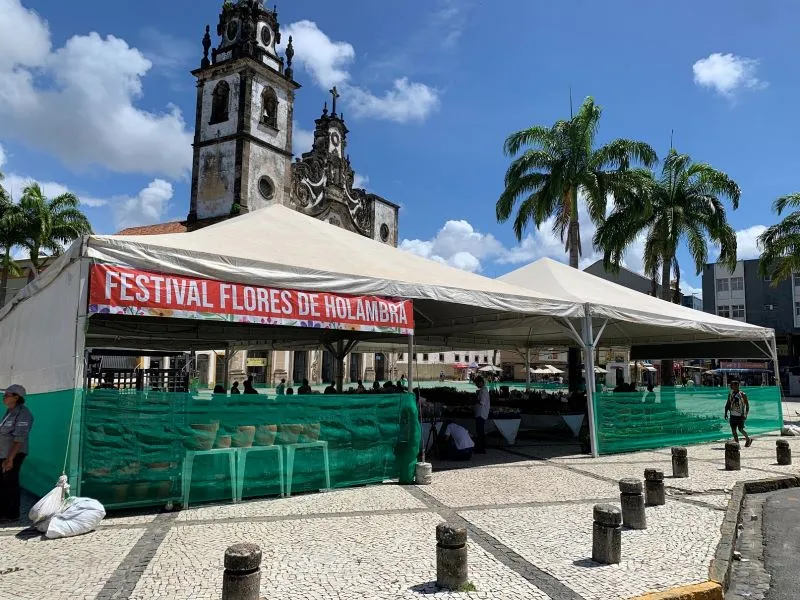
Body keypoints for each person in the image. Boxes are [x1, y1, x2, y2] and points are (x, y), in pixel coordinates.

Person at [0, 384, 34, 522]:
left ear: (16, 397)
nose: (4, 397)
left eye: (7, 395)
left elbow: (19, 438)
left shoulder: (24, 413)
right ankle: (2, 511)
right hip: (3, 453)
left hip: (13, 454)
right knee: (2, 483)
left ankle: (12, 514)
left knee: (10, 482)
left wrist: (10, 459)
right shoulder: (9, 412)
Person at [725, 380, 753, 447]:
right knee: (733, 430)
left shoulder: (743, 395)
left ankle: (748, 439)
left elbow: (747, 405)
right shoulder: (730, 394)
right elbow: (727, 404)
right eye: (731, 385)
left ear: (737, 386)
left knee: (741, 429)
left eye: (732, 385)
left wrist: (746, 414)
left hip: (740, 415)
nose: (731, 386)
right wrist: (725, 413)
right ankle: (737, 444)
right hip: (732, 415)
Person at [474, 375, 489, 454]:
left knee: (480, 432)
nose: (476, 385)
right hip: (481, 413)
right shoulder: (483, 390)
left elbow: (482, 402)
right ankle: (480, 447)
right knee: (480, 431)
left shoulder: (483, 391)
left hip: (481, 414)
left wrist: (475, 400)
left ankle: (481, 448)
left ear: (480, 382)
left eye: (477, 383)